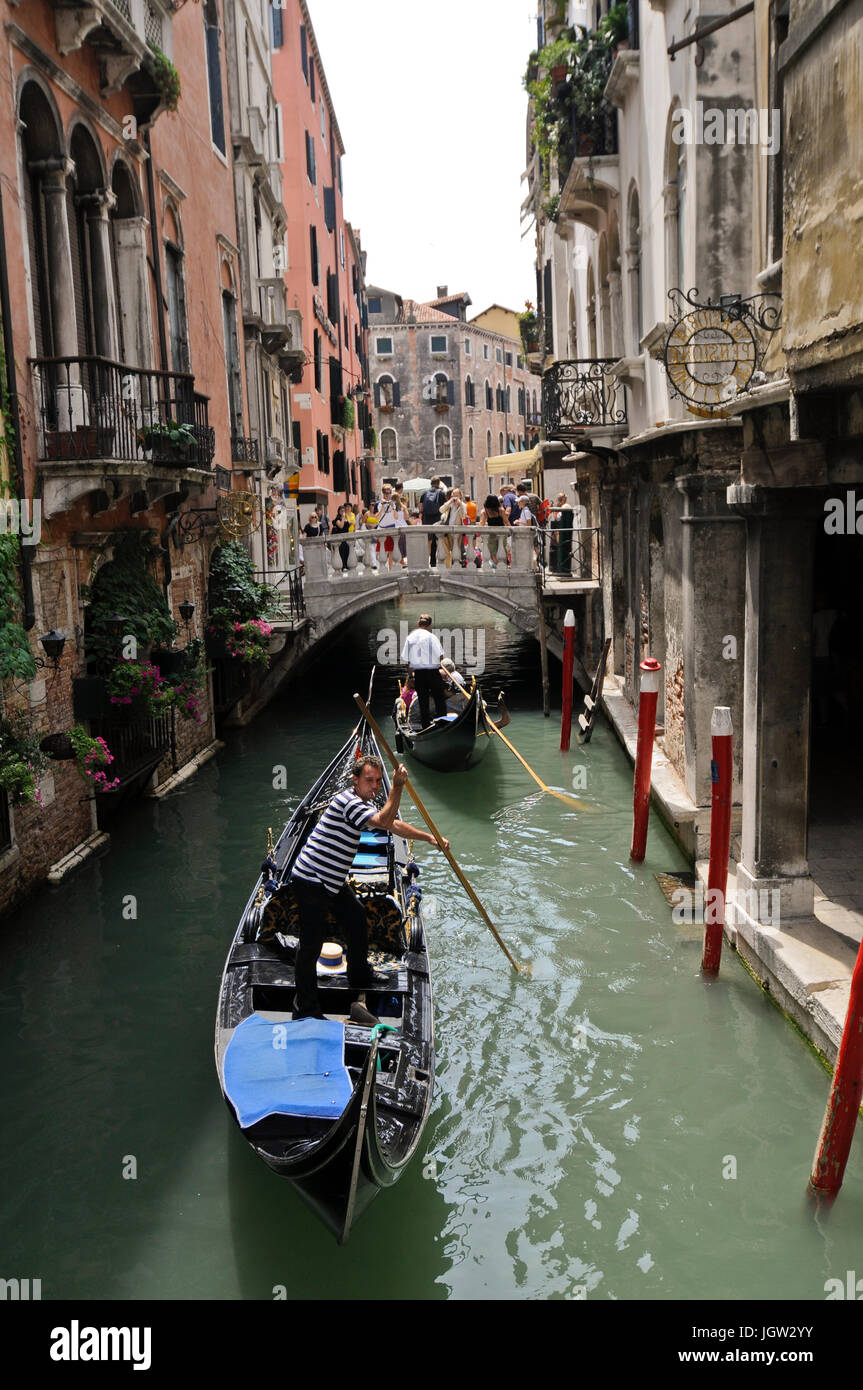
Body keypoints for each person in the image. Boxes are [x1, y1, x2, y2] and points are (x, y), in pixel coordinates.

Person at [290, 754, 448, 1021]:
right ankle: (305, 1008)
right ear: (355, 779)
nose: (375, 787)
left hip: (331, 881)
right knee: (310, 945)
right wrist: (395, 786)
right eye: (369, 781)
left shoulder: (361, 803)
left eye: (378, 782)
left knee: (356, 917)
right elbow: (386, 822)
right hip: (311, 879)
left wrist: (429, 837)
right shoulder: (348, 802)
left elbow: (393, 824)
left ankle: (359, 974)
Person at [401, 613, 449, 728]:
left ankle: (425, 726)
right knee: (439, 699)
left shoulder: (410, 638)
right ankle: (442, 723)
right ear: (429, 625)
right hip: (433, 673)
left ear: (418, 623)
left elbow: (406, 661)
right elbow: (441, 657)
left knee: (423, 701)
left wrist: (410, 675)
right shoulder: (432, 637)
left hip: (419, 675)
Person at [438, 487, 468, 568]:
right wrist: (449, 502)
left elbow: (463, 515)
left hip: (457, 532)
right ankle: (448, 567)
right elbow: (441, 510)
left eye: (456, 495)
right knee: (446, 550)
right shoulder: (449, 505)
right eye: (453, 495)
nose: (454, 497)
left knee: (456, 550)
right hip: (446, 531)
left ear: (460, 496)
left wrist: (459, 504)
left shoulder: (463, 505)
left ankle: (455, 567)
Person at [420, 476, 446, 567]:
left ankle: (427, 561)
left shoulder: (424, 492)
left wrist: (422, 516)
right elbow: (444, 507)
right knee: (438, 539)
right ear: (438, 483)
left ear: (430, 483)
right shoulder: (441, 493)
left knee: (428, 540)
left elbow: (420, 506)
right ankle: (437, 561)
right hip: (437, 518)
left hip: (426, 518)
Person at [479, 493, 508, 570]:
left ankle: (497, 566)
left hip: (491, 534)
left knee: (493, 552)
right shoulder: (501, 510)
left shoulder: (484, 512)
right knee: (502, 549)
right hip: (502, 533)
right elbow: (507, 522)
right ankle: (502, 566)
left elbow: (481, 524)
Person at [549, 491, 574, 576]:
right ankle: (557, 568)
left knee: (560, 548)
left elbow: (558, 519)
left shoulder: (564, 507)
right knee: (557, 549)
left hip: (560, 532)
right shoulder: (559, 508)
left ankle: (560, 569)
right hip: (558, 532)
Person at [331, 504, 351, 573]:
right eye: (341, 511)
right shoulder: (338, 519)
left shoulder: (346, 518)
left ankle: (347, 565)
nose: (343, 512)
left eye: (344, 510)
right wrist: (342, 517)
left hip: (346, 538)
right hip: (340, 540)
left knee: (347, 552)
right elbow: (341, 526)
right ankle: (343, 567)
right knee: (342, 552)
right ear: (339, 511)